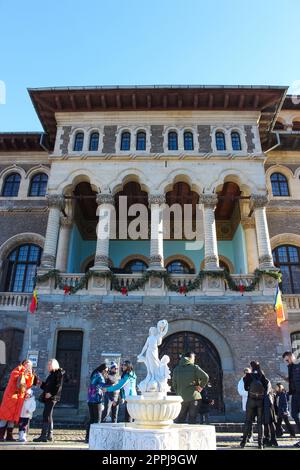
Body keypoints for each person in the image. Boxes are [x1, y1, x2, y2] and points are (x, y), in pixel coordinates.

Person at [0, 359, 35, 441]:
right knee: (5, 417)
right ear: (23, 364)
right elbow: (14, 379)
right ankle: (0, 435)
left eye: (30, 365)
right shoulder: (17, 370)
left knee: (13, 418)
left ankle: (9, 436)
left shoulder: (30, 374)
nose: (28, 366)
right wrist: (23, 374)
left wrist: (30, 376)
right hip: (11, 397)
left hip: (19, 399)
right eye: (27, 364)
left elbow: (28, 385)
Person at [33, 358, 65, 443]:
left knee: (46, 415)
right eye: (48, 364)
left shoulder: (58, 373)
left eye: (49, 364)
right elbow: (46, 386)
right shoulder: (51, 374)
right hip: (49, 397)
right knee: (48, 415)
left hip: (52, 397)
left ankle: (44, 436)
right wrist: (41, 383)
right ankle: (49, 435)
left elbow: (58, 386)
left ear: (54, 365)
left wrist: (51, 394)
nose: (48, 366)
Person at [172, 352, 209, 425]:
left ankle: (179, 435)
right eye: (193, 358)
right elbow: (206, 377)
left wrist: (179, 393)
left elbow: (174, 385)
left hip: (181, 398)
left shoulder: (176, 369)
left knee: (180, 419)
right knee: (192, 419)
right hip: (194, 397)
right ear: (190, 358)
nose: (194, 360)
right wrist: (200, 386)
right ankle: (191, 436)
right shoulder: (194, 367)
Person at [240, 361, 269, 449]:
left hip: (251, 401)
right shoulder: (262, 375)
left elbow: (245, 388)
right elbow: (266, 387)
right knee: (260, 423)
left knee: (248, 421)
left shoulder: (249, 375)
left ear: (251, 367)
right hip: (260, 401)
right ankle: (260, 444)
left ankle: (243, 442)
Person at [85, 363, 108, 442]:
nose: (106, 373)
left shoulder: (94, 374)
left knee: (92, 419)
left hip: (90, 399)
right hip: (97, 400)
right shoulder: (100, 376)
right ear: (103, 370)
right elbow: (103, 387)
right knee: (97, 420)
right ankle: (95, 438)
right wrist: (112, 386)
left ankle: (88, 437)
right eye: (106, 371)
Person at [282, 351, 300, 447]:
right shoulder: (291, 367)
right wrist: (289, 380)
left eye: (286, 360)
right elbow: (294, 380)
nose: (286, 362)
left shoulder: (298, 364)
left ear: (290, 356)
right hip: (295, 394)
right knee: (294, 414)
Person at [237, 368, 253, 443]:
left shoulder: (253, 380)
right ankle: (248, 435)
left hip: (254, 402)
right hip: (247, 402)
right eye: (246, 373)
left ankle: (249, 435)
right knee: (248, 420)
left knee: (251, 420)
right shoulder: (241, 381)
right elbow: (241, 391)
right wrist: (250, 393)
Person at [263, 382, 278, 447]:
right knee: (270, 423)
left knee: (268, 423)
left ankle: (269, 439)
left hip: (267, 407)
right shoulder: (272, 393)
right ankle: (272, 439)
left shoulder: (266, 392)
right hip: (270, 408)